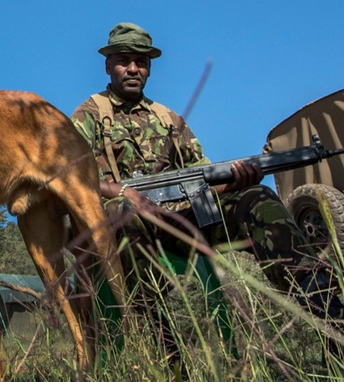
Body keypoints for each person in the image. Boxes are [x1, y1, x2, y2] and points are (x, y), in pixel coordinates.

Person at [71, 22, 341, 358]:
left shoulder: (169, 119)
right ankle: (162, 350)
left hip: (181, 221)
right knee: (124, 214)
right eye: (124, 60)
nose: (133, 68)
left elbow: (205, 176)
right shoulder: (89, 115)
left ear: (150, 68)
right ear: (108, 65)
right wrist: (120, 192)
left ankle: (331, 316)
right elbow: (69, 179)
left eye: (141, 62)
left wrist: (241, 180)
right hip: (126, 228)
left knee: (258, 201)